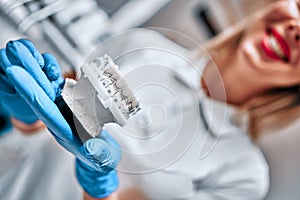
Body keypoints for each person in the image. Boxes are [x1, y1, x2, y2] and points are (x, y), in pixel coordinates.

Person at [1, 0, 300, 199]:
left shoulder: (243, 174)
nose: (296, 29)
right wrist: (26, 116)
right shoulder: (142, 45)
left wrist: (101, 190)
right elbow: (39, 138)